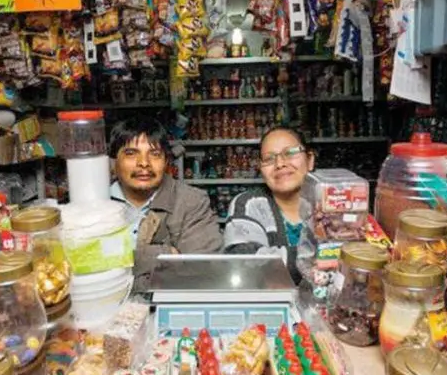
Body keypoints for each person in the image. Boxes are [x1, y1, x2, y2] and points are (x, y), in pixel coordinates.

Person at [109, 117, 223, 291]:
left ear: (166, 161)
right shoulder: (96, 205)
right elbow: (79, 267)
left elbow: (203, 272)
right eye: (131, 153)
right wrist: (164, 254)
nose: (144, 163)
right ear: (114, 162)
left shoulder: (190, 202)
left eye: (154, 154)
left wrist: (118, 267)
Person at [223, 126, 314, 284]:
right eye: (269, 159)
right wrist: (319, 258)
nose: (280, 164)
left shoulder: (332, 202)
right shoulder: (248, 204)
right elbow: (245, 262)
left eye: (290, 153)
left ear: (310, 160)